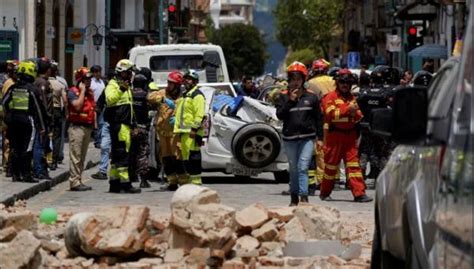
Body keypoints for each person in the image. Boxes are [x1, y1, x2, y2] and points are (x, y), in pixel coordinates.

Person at [320, 68, 372, 202]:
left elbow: (359, 116)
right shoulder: (330, 97)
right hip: (335, 137)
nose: (345, 85)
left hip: (350, 137)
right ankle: (325, 192)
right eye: (342, 82)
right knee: (331, 167)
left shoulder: (351, 97)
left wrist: (354, 113)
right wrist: (348, 110)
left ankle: (359, 193)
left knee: (354, 166)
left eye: (347, 83)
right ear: (337, 82)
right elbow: (330, 115)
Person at [276, 61, 323, 206]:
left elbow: (318, 118)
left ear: (303, 80)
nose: (296, 82)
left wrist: (320, 138)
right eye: (293, 79)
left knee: (303, 167)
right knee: (294, 169)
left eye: (299, 79)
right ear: (289, 80)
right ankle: (294, 197)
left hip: (307, 138)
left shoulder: (312, 97)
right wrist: (290, 101)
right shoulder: (283, 97)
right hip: (289, 139)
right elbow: (280, 115)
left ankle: (304, 197)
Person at [2, 60, 45, 183]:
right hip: (27, 121)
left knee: (15, 147)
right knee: (27, 148)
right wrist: (42, 126)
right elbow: (38, 109)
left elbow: (3, 103)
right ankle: (26, 174)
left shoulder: (13, 88)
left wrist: (8, 117)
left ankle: (15, 174)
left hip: (14, 121)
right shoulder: (32, 90)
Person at [104, 59, 141, 193]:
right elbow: (109, 100)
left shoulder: (126, 86)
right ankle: (125, 184)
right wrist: (121, 89)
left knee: (117, 155)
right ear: (124, 72)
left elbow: (130, 108)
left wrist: (134, 125)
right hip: (119, 125)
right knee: (122, 154)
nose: (132, 75)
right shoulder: (113, 85)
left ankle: (114, 183)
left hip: (126, 124)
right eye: (130, 72)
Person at [148, 71, 184, 190]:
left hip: (176, 132)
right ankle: (172, 182)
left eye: (172, 83)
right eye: (168, 82)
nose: (169, 85)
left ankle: (183, 182)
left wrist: (177, 112)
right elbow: (150, 97)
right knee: (166, 157)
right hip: (163, 132)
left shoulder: (183, 97)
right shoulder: (163, 93)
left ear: (177, 85)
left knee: (178, 157)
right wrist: (162, 99)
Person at [173, 69, 206, 186]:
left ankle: (196, 183)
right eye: (185, 78)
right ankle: (191, 182)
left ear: (195, 82)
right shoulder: (186, 95)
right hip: (184, 132)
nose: (186, 81)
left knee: (193, 158)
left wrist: (194, 129)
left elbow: (199, 114)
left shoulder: (197, 95)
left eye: (189, 79)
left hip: (192, 132)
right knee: (187, 159)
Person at [66, 68, 95, 191]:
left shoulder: (90, 93)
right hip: (76, 128)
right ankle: (74, 182)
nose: (89, 82)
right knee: (76, 156)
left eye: (89, 79)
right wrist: (82, 91)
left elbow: (92, 109)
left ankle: (78, 179)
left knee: (82, 157)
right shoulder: (73, 91)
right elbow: (77, 106)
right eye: (86, 79)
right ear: (80, 80)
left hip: (87, 127)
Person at [129, 73, 151, 188]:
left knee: (131, 152)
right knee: (142, 154)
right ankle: (143, 180)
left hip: (130, 129)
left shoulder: (129, 94)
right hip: (142, 128)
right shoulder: (146, 95)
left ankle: (132, 176)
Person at [33, 57, 52, 179]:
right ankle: (39, 170)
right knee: (40, 145)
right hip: (42, 119)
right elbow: (44, 103)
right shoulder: (42, 83)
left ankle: (41, 168)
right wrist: (47, 118)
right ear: (48, 70)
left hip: (41, 118)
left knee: (42, 145)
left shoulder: (39, 81)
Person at [1, 60, 19, 177]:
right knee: (8, 141)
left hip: (8, 115)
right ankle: (7, 165)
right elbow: (6, 100)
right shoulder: (10, 83)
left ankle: (7, 164)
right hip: (8, 115)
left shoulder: (9, 81)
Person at [48, 61, 67, 171]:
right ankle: (54, 160)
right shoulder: (60, 84)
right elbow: (65, 100)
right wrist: (67, 112)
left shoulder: (43, 83)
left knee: (46, 135)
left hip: (46, 111)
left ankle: (46, 159)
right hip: (57, 110)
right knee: (57, 136)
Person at [90, 65, 105, 148]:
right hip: (93, 105)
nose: (98, 73)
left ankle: (98, 141)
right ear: (93, 73)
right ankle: (96, 139)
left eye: (99, 71)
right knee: (94, 124)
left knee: (101, 123)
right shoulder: (91, 82)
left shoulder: (102, 82)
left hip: (102, 106)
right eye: (96, 72)